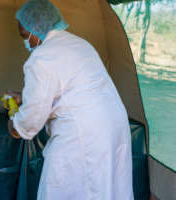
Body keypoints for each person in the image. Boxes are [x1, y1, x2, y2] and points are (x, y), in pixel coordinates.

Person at [7, 0, 134, 199]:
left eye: (25, 36)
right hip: (113, 126)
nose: (27, 42)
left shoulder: (41, 58)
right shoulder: (80, 44)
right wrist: (26, 97)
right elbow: (74, 88)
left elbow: (30, 121)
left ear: (36, 30)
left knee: (67, 189)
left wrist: (15, 125)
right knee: (110, 188)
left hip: (82, 135)